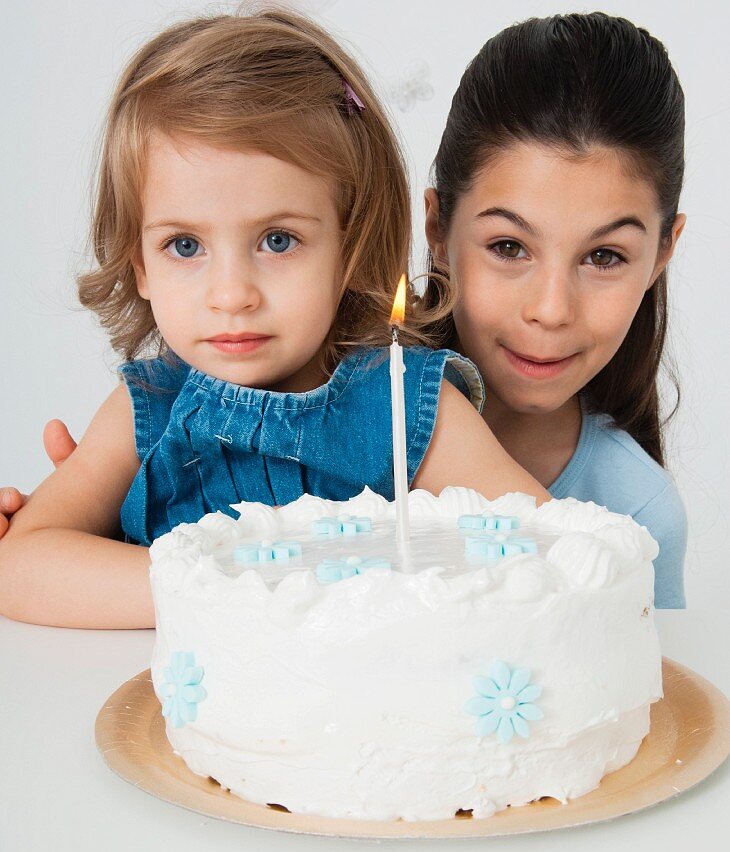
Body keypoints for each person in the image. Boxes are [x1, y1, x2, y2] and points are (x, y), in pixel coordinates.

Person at [0, 9, 546, 629]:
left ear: (351, 245)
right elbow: (18, 566)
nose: (231, 294)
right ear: (141, 266)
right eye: (185, 246)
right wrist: (233, 594)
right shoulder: (147, 410)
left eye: (278, 241)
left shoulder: (403, 404)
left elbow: (546, 547)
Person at [421, 13, 688, 607]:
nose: (550, 310)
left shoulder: (642, 515)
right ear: (438, 229)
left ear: (662, 253)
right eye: (509, 247)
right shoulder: (329, 425)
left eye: (604, 256)